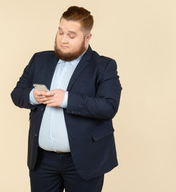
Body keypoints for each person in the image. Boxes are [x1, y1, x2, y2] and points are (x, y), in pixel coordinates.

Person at [11, 6, 122, 192]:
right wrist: (32, 96)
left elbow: (109, 106)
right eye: (60, 32)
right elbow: (17, 94)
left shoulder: (104, 66)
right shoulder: (39, 60)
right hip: (42, 161)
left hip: (84, 160)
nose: (63, 40)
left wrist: (67, 100)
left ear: (87, 38)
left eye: (71, 35)